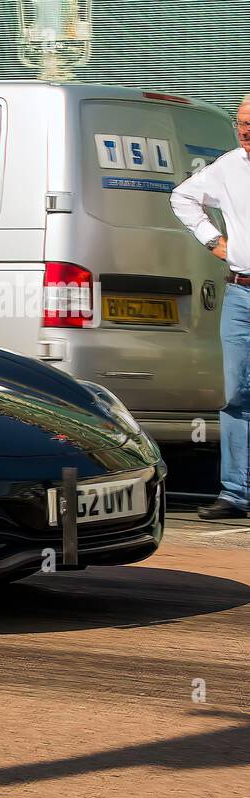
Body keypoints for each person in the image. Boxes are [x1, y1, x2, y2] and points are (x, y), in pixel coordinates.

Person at [171, 93, 250, 519]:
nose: (245, 132)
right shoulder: (229, 166)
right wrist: (213, 241)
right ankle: (236, 493)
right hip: (240, 293)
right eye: (241, 124)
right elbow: (182, 197)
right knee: (237, 394)